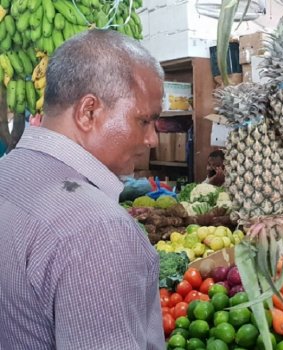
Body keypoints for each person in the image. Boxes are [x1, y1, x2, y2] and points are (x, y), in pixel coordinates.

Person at [0, 29, 165, 349]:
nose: (152, 140)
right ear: (88, 112)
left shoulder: (7, 173)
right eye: (144, 121)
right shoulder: (98, 229)